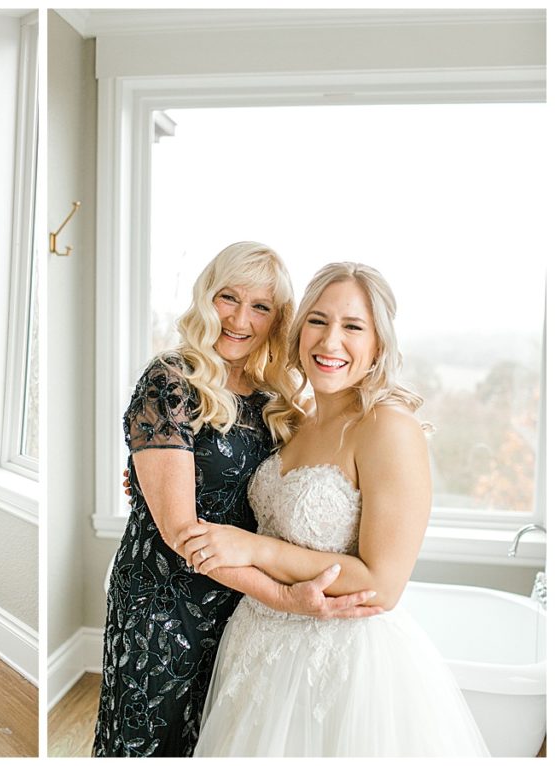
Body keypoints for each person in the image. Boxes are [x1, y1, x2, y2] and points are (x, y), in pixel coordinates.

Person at [185, 262, 489, 756]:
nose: (330, 342)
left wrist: (253, 548)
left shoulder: (388, 428)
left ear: (378, 345)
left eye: (352, 327)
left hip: (339, 664)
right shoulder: (291, 420)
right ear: (298, 328)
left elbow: (382, 584)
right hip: (255, 649)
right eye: (319, 321)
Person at [92, 243, 381, 758]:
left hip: (240, 608)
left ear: (278, 320)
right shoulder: (171, 381)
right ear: (208, 298)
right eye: (229, 297)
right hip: (166, 602)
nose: (240, 318)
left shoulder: (275, 399)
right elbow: (182, 533)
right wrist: (285, 598)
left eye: (261, 307)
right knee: (152, 743)